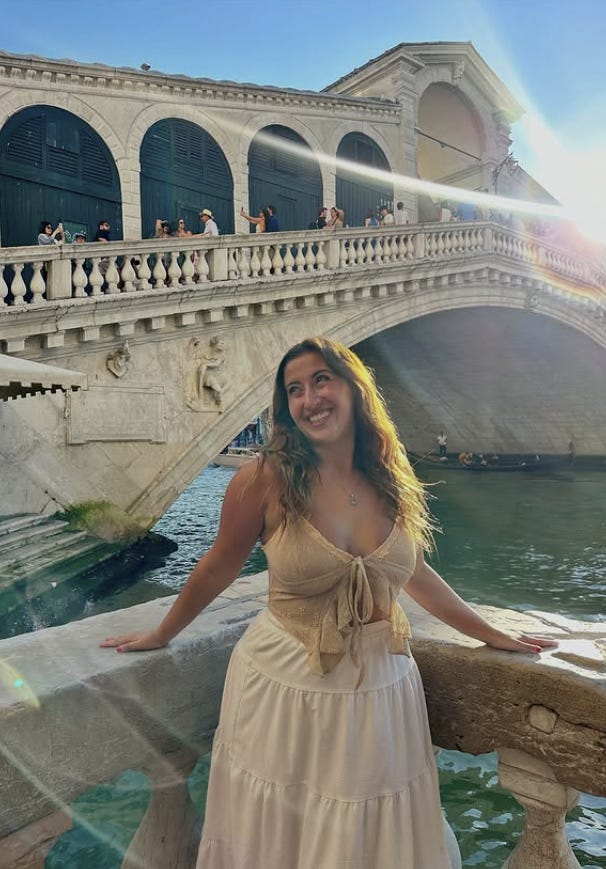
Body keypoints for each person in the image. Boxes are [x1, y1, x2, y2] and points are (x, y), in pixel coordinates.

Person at [101, 336, 556, 869]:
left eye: (321, 380)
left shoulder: (390, 476)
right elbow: (219, 566)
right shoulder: (264, 478)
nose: (309, 398)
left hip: (384, 689)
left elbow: (416, 573)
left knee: (368, 837)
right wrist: (163, 631)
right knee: (282, 837)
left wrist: (490, 633)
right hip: (286, 687)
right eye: (294, 389)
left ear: (354, 388)